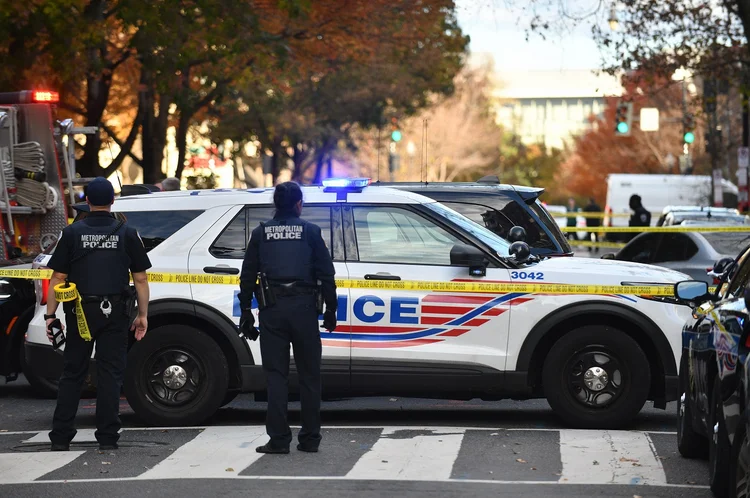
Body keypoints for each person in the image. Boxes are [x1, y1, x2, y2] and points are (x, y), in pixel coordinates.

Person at [44, 177, 152, 452]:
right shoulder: (127, 233)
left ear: (87, 201)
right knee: (110, 374)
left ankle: (60, 437)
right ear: (113, 201)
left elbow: (58, 276)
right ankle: (107, 437)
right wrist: (143, 315)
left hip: (80, 311)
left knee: (73, 373)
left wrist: (50, 315)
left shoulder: (71, 233)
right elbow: (140, 279)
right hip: (115, 312)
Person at [238, 181, 337, 455]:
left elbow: (247, 276)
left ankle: (279, 440)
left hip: (273, 311)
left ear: (276, 204)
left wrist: (246, 310)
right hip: (305, 310)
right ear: (298, 204)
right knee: (309, 376)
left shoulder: (261, 233)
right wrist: (331, 310)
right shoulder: (311, 232)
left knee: (276, 377)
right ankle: (310, 439)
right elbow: (326, 275)